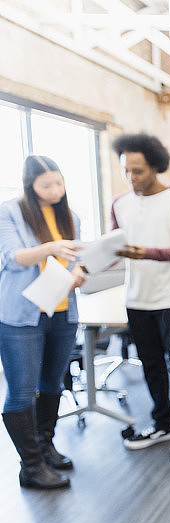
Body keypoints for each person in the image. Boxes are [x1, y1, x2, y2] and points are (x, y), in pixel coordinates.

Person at [110, 133, 170, 462]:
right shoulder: (119, 204)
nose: (132, 178)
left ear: (155, 167)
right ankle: (163, 423)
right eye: (127, 171)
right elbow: (115, 248)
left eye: (139, 171)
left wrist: (145, 253)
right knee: (150, 366)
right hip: (136, 299)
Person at [0, 155, 86, 489]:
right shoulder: (10, 212)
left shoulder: (71, 216)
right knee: (22, 390)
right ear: (30, 185)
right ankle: (31, 465)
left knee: (53, 382)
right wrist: (51, 247)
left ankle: (46, 446)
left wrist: (79, 272)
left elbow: (78, 261)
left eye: (59, 182)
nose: (55, 190)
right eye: (46, 184)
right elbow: (11, 258)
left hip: (62, 311)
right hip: (22, 316)